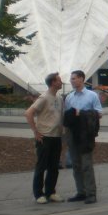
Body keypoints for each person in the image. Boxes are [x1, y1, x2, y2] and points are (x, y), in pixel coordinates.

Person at [24, 72, 64, 204]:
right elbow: (29, 113)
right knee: (41, 166)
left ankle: (50, 192)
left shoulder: (59, 97)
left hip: (56, 136)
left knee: (54, 166)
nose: (61, 82)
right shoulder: (44, 98)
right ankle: (38, 194)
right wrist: (35, 131)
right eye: (59, 80)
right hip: (44, 137)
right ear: (53, 83)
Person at [64, 70, 102, 204]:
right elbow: (66, 115)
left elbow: (99, 113)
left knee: (86, 164)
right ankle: (81, 192)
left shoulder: (92, 96)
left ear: (81, 79)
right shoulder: (69, 97)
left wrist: (82, 114)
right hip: (72, 132)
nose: (71, 81)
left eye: (74, 78)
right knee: (75, 164)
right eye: (71, 79)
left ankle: (91, 193)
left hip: (86, 133)